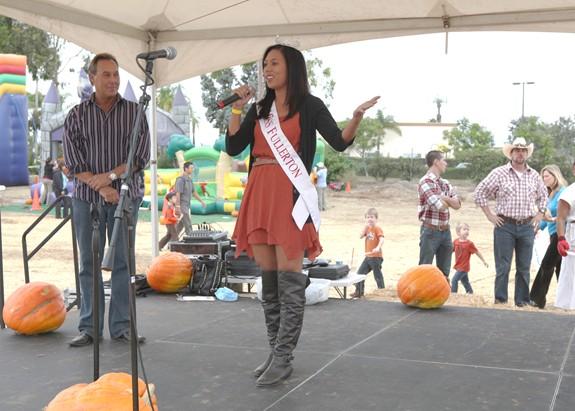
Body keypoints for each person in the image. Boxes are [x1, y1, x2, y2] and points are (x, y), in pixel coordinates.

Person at [225, 44, 379, 387]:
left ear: (292, 68)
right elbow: (234, 147)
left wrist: (356, 117)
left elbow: (339, 141)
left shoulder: (310, 105)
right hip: (259, 194)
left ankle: (284, 357)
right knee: (268, 281)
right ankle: (274, 351)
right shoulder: (260, 108)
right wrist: (236, 108)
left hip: (289, 197)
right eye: (265, 64)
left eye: (274, 63)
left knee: (289, 280)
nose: (267, 69)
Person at [63, 53, 150, 347]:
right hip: (86, 200)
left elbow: (139, 158)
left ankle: (122, 327)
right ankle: (90, 327)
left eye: (116, 74)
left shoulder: (135, 112)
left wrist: (110, 178)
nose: (113, 80)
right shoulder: (76, 115)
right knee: (89, 262)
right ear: (92, 78)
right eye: (106, 75)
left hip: (125, 198)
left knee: (123, 262)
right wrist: (101, 187)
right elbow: (74, 162)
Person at [474, 137, 547, 306]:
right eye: (517, 150)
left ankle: (522, 301)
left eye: (523, 150)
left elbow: (544, 195)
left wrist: (540, 213)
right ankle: (501, 300)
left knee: (524, 267)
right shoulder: (499, 173)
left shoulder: (534, 175)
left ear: (527, 154)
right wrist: (489, 215)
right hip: (505, 225)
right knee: (503, 266)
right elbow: (479, 192)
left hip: (527, 226)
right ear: (511, 153)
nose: (520, 153)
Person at [417, 150, 461, 278]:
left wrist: (443, 197)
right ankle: (422, 291)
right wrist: (449, 199)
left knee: (444, 273)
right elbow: (440, 206)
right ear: (436, 162)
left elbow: (457, 205)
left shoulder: (445, 183)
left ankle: (442, 291)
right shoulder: (425, 182)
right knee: (424, 271)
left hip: (445, 231)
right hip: (430, 231)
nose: (446, 163)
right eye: (444, 160)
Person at [529, 165, 567, 308]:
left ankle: (536, 299)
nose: (544, 179)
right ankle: (566, 301)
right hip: (553, 234)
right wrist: (538, 228)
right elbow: (547, 217)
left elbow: (564, 215)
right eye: (543, 176)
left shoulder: (563, 192)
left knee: (547, 264)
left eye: (547, 176)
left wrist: (553, 220)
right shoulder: (549, 194)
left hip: (561, 234)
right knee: (560, 268)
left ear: (555, 176)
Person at [350, 207, 384, 299]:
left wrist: (378, 247)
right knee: (360, 274)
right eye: (368, 217)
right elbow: (360, 236)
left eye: (372, 217)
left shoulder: (377, 228)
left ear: (376, 218)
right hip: (368, 256)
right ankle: (359, 292)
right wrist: (364, 229)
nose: (370, 219)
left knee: (377, 275)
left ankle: (382, 291)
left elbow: (382, 239)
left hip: (376, 257)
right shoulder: (367, 228)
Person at [554, 179, 575, 309]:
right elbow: (560, 218)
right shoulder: (569, 192)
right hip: (573, 235)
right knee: (572, 273)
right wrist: (561, 239)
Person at [451, 222, 488, 294]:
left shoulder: (469, 244)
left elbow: (477, 252)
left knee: (454, 280)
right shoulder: (455, 242)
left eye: (468, 229)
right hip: (458, 266)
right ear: (458, 232)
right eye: (464, 229)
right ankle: (470, 293)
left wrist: (484, 261)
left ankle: (453, 295)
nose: (467, 231)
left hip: (464, 267)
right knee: (465, 282)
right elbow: (450, 250)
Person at [174, 161, 206, 237]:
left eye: (193, 168)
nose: (192, 170)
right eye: (191, 168)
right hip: (182, 206)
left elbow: (194, 193)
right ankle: (192, 238)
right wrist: (177, 206)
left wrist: (201, 201)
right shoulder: (180, 180)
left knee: (181, 225)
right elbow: (178, 193)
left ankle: (172, 239)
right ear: (186, 169)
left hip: (187, 205)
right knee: (188, 224)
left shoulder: (190, 180)